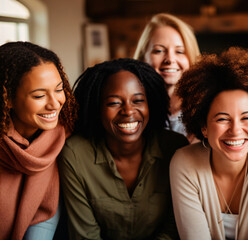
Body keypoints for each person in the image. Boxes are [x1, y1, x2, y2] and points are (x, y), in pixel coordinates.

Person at [59, 58, 188, 239]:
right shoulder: (75, 155)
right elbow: (85, 235)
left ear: (150, 104)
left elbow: (173, 229)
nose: (128, 111)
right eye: (114, 103)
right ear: (97, 108)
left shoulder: (175, 148)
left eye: (138, 100)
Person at [170, 47, 248, 240]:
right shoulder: (184, 163)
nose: (235, 130)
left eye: (246, 118)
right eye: (222, 119)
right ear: (204, 127)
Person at [0, 41, 77, 240]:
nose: (54, 103)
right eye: (39, 95)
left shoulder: (66, 134)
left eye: (59, 90)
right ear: (7, 98)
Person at [134, 13, 201, 142]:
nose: (170, 59)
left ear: (191, 57)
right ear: (143, 57)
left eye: (179, 51)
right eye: (159, 51)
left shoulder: (207, 107)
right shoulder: (132, 109)